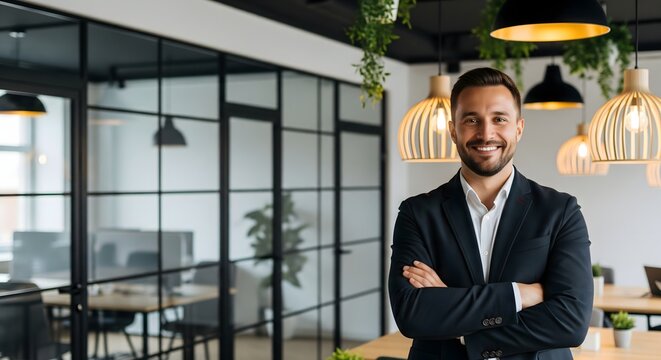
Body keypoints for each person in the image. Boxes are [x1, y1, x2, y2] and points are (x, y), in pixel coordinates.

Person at [389, 67, 592, 360]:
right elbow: (412, 314)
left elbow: (570, 322)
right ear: (452, 129)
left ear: (518, 128)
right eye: (471, 120)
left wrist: (458, 322)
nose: (486, 133)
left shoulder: (560, 211)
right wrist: (519, 295)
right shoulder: (417, 213)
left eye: (499, 119)